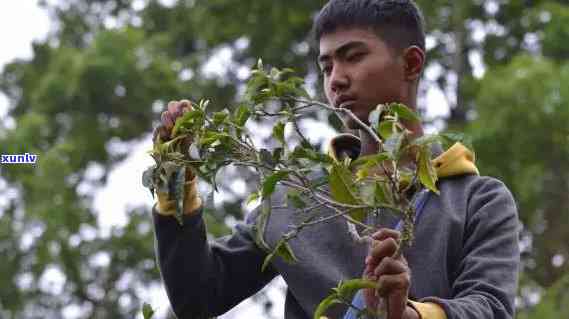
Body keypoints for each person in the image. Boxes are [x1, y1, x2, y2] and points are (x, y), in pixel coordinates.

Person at [151, 1, 520, 318]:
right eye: (326, 66)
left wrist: (408, 313)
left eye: (353, 56)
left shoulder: (478, 200)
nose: (336, 80)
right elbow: (198, 297)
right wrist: (173, 176)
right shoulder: (293, 196)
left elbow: (492, 307)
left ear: (410, 63)